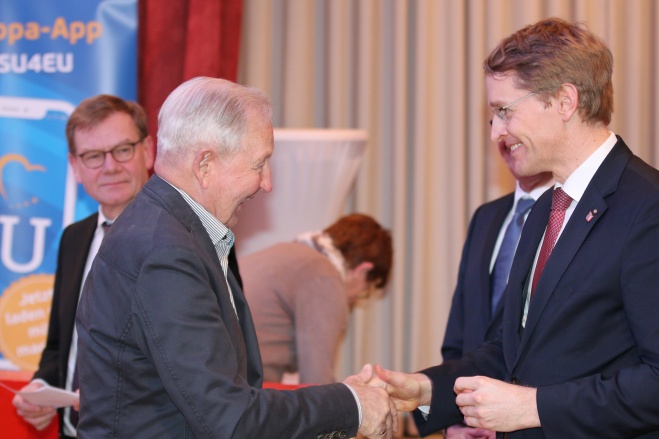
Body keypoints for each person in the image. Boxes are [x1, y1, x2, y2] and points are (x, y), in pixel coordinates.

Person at [372, 17, 659, 439]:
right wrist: (427, 390)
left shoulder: (654, 210)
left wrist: (533, 407)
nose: (496, 132)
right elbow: (511, 351)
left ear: (565, 101)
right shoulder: (544, 211)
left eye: (504, 111)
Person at [75, 77, 395, 438]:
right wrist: (350, 404)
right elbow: (230, 419)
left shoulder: (176, 233)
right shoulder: (166, 252)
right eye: (260, 164)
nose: (267, 183)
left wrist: (345, 402)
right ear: (205, 165)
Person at [11, 94, 155, 438]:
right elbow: (59, 346)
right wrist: (41, 387)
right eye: (93, 156)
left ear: (148, 151)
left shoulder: (187, 240)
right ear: (75, 166)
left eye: (123, 150)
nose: (110, 166)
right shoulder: (74, 239)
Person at [441, 172, 553, 439]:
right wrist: (450, 422)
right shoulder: (485, 216)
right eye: (495, 126)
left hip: (532, 426)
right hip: (469, 424)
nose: (507, 149)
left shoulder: (567, 215)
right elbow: (458, 336)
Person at [242, 213, 393, 385]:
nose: (354, 298)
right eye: (365, 290)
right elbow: (316, 382)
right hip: (242, 388)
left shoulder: (286, 253)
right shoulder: (325, 277)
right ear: (363, 270)